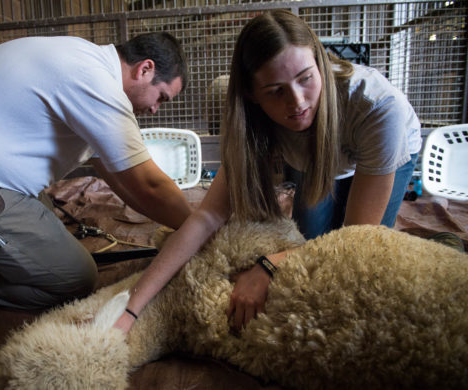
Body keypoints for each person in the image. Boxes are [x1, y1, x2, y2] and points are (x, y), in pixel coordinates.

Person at [113, 10, 422, 333]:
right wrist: (131, 308)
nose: (298, 102)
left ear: (319, 62)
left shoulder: (378, 107)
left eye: (306, 78)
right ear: (252, 95)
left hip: (381, 149)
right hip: (314, 157)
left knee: (359, 263)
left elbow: (355, 237)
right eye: (276, 91)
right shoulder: (253, 123)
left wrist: (269, 265)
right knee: (313, 241)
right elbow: (205, 218)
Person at [0, 32, 193, 309]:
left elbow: (125, 182)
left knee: (51, 236)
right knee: (74, 277)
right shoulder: (95, 80)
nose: (155, 109)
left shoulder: (81, 59)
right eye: (161, 98)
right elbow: (149, 185)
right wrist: (201, 229)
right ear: (145, 69)